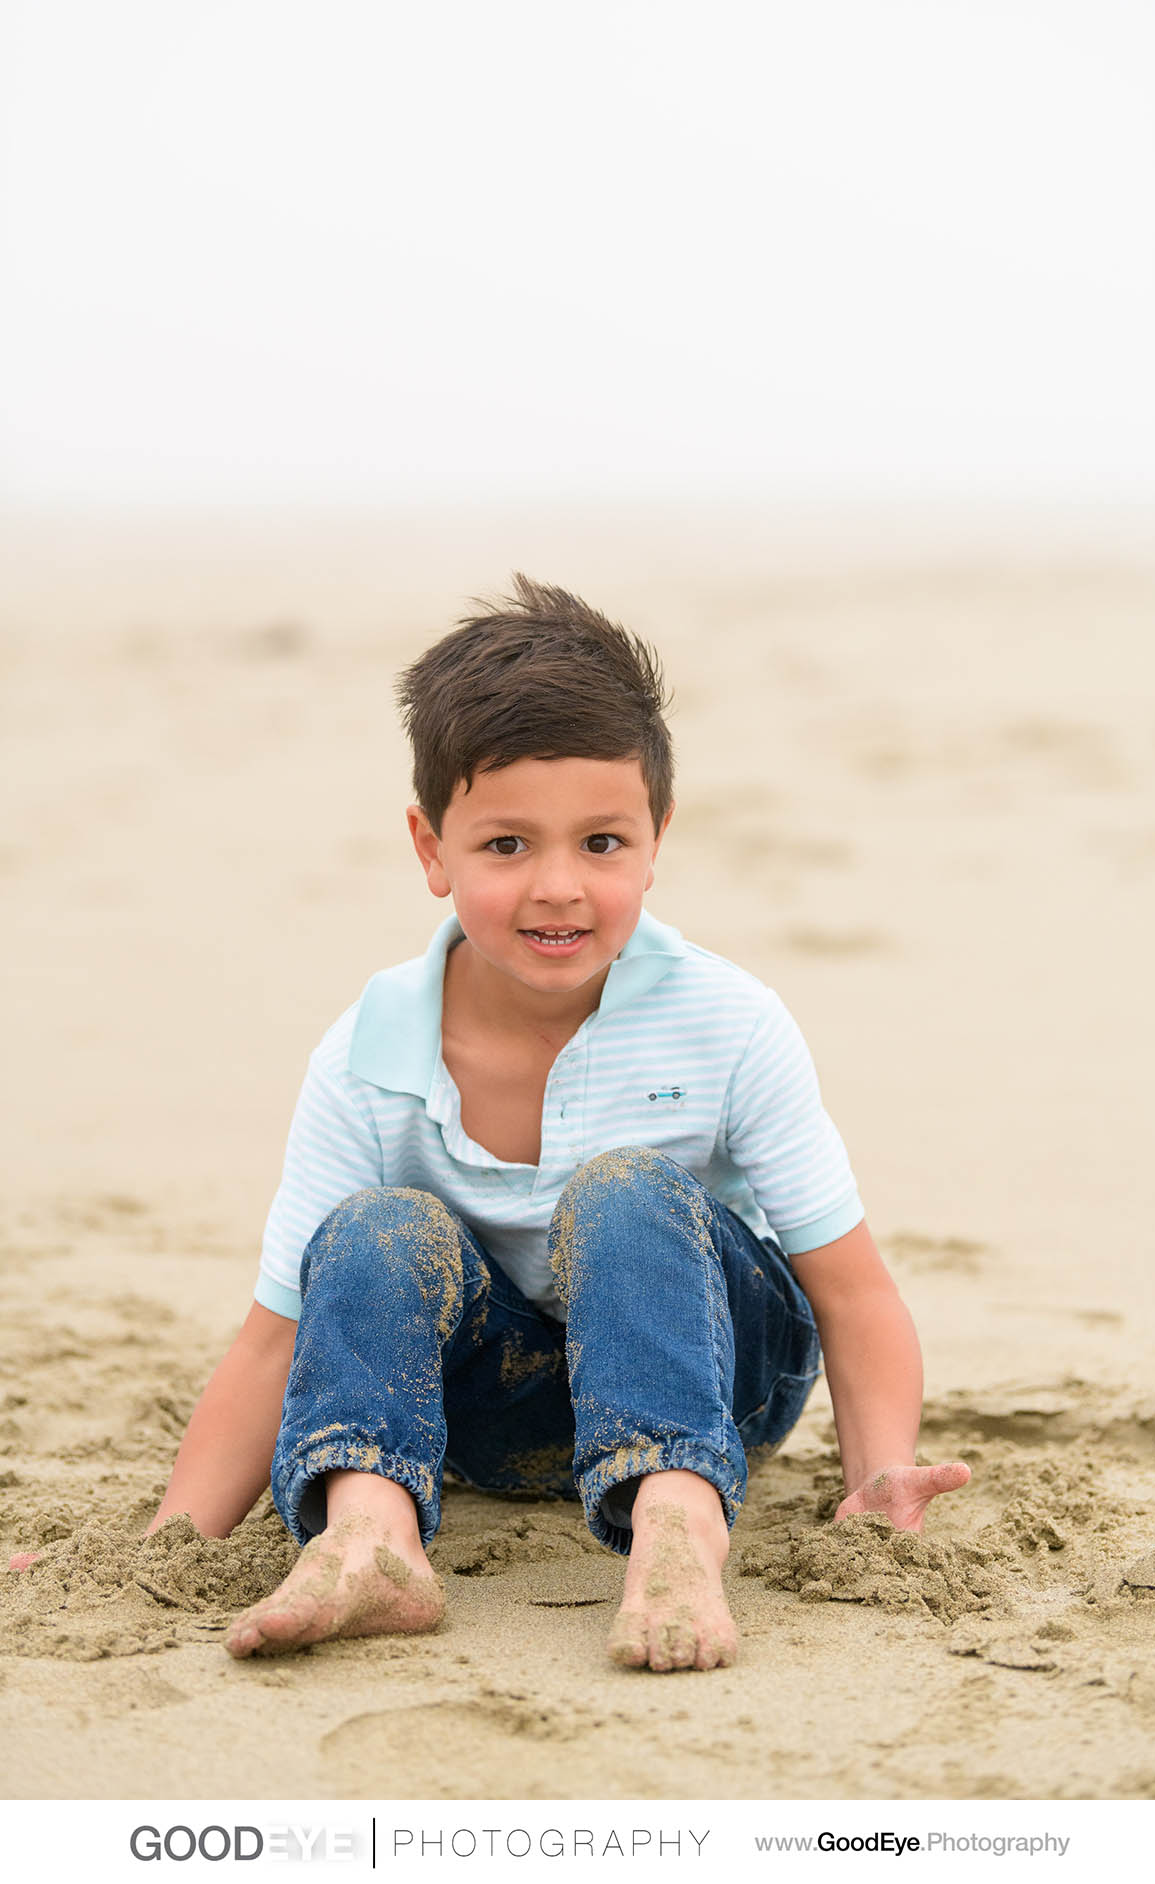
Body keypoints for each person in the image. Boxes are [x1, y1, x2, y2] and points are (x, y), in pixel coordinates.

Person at [68, 575, 972, 1671]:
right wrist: (171, 1540)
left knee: (625, 1191)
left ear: (655, 837)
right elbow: (277, 1339)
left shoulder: (726, 1022)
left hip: (714, 1378)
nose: (558, 886)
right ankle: (372, 1535)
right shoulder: (370, 1053)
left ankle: (678, 1527)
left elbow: (851, 1289)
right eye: (505, 846)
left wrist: (879, 1480)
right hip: (490, 1410)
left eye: (601, 843)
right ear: (430, 847)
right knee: (376, 1228)